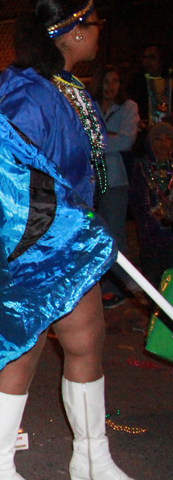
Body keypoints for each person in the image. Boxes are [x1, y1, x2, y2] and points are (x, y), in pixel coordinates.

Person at [0, 0, 153, 480]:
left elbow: (86, 167)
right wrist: (55, 218)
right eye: (96, 23)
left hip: (74, 240)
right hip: (34, 243)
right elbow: (3, 166)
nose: (101, 31)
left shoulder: (70, 89)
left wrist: (87, 217)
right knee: (24, 352)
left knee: (86, 343)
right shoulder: (26, 93)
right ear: (72, 31)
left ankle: (92, 457)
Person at [89, 65, 141, 308]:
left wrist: (97, 140)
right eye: (107, 81)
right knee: (92, 232)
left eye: (116, 81)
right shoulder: (88, 106)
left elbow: (127, 140)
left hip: (114, 178)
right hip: (89, 179)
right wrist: (108, 137)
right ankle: (94, 287)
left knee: (115, 232)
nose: (111, 87)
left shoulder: (128, 107)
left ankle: (120, 285)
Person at [128, 121, 173, 290]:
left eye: (168, 139)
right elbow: (136, 198)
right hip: (150, 231)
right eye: (158, 139)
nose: (163, 143)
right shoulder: (142, 169)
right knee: (153, 274)